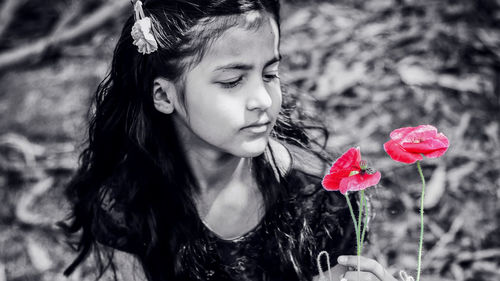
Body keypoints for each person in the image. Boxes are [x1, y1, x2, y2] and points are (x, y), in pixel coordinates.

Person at [59, 0, 399, 280]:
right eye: (233, 81)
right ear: (164, 96)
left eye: (269, 75)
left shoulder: (319, 196)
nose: (263, 101)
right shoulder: (129, 204)